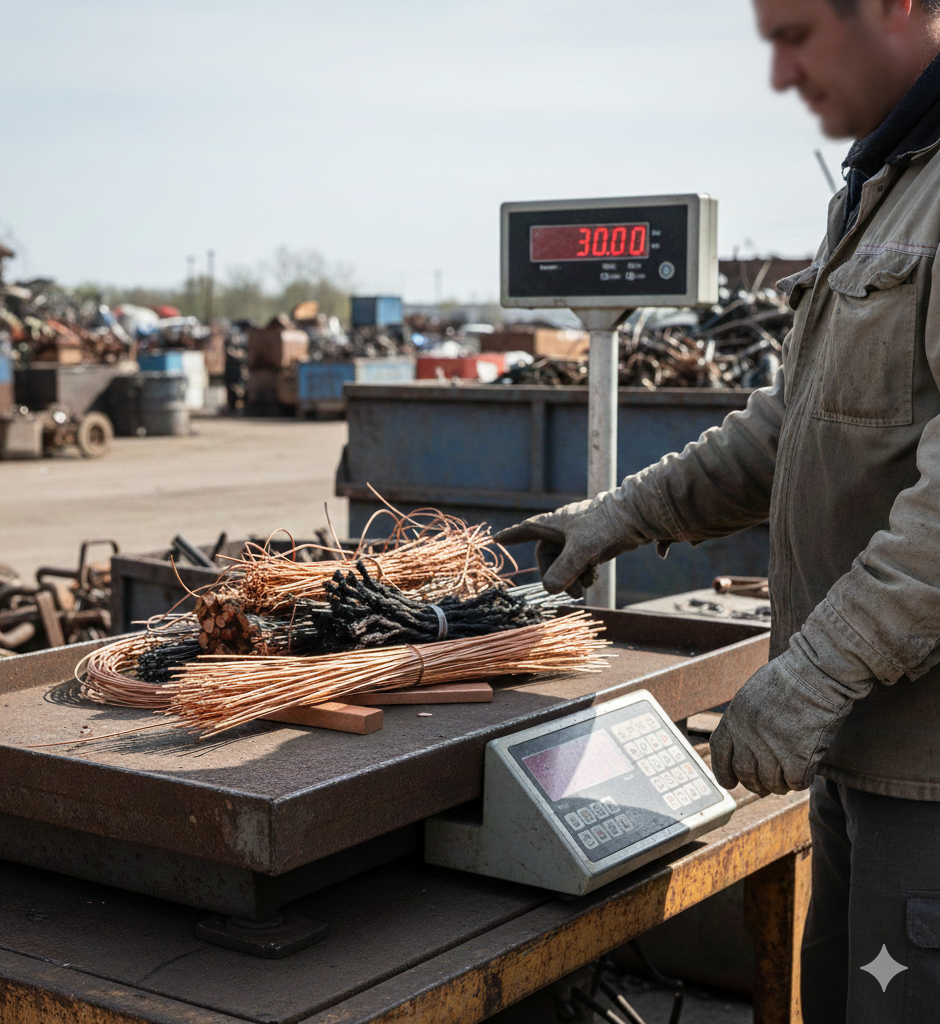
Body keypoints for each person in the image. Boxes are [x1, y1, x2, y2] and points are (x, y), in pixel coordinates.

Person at [495, 1, 940, 1020]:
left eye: (793, 31)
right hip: (856, 755)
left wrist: (811, 679)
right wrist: (617, 514)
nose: (776, 74)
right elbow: (793, 425)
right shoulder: (887, 185)